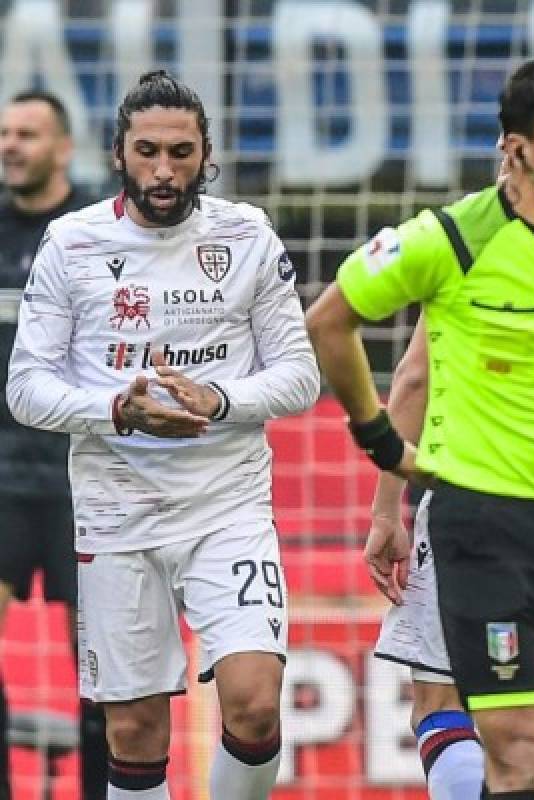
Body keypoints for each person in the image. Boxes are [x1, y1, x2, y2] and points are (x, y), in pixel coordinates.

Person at [305, 56, 534, 799]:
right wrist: (380, 444)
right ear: (516, 148)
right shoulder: (453, 238)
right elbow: (330, 321)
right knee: (515, 752)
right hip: (482, 523)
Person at [6, 70, 320, 800]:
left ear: (206, 153)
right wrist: (118, 411)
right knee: (135, 732)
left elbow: (300, 374)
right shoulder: (72, 244)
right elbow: (26, 388)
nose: (164, 170)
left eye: (182, 152)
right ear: (119, 152)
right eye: (147, 151)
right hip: (119, 512)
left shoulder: (246, 235)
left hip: (227, 506)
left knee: (252, 700)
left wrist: (217, 398)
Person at [0, 88, 106, 800]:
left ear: (64, 147)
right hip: (2, 481)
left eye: (27, 133)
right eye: (4, 133)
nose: (10, 144)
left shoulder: (98, 230)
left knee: (103, 668)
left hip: (83, 479)